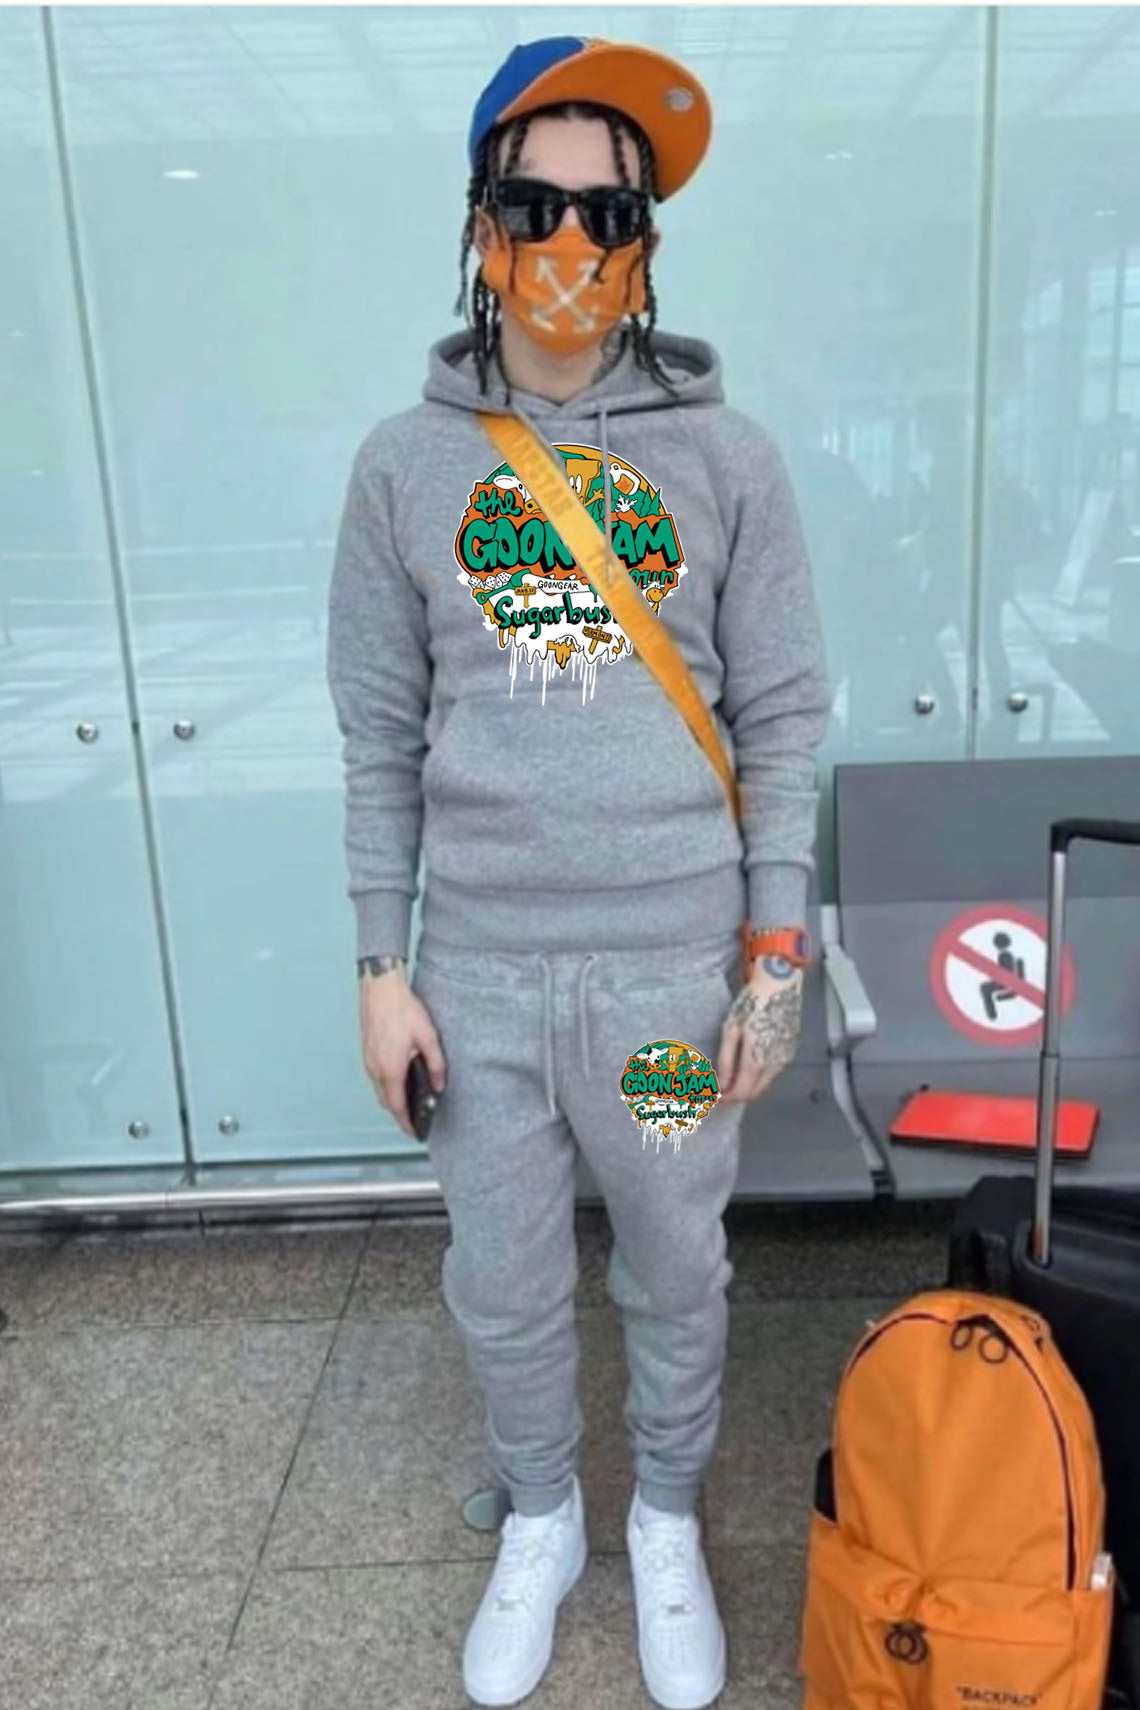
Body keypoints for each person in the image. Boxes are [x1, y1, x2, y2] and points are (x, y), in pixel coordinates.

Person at [325, 33, 832, 1710]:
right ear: (479, 227)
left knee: (678, 1260)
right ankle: (543, 1514)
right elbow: (377, 734)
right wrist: (379, 966)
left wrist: (773, 949)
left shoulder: (730, 460)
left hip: (673, 978)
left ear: (647, 244)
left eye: (604, 214)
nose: (567, 244)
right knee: (502, 1275)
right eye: (532, 206)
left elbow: (782, 713)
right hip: (477, 981)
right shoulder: (403, 470)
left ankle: (665, 1515)